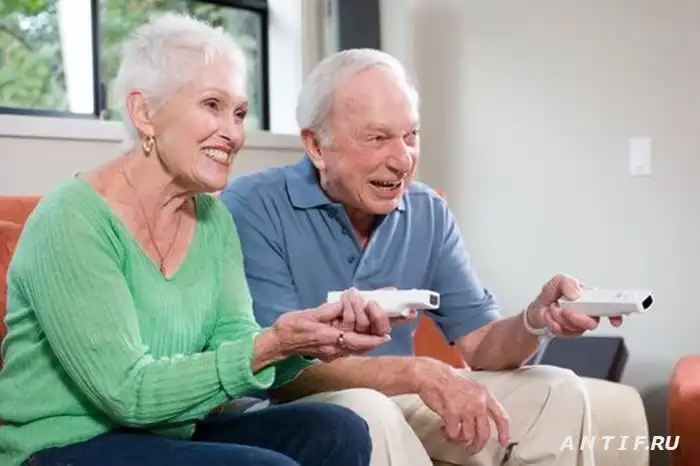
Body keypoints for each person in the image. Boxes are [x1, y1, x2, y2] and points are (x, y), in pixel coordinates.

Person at [0, 16, 399, 466]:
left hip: (167, 432)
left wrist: (308, 341)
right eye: (212, 105)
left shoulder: (212, 220)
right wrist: (272, 344)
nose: (233, 133)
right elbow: (126, 393)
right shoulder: (72, 218)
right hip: (63, 446)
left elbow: (238, 344)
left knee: (338, 431)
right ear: (144, 113)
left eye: (239, 113)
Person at [219, 48, 629, 466]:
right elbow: (279, 369)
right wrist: (418, 373)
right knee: (366, 411)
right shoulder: (252, 206)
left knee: (557, 390)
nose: (403, 160)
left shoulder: (426, 210)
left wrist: (536, 320)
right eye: (377, 138)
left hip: (395, 396)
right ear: (316, 146)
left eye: (410, 135)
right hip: (293, 409)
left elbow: (480, 343)